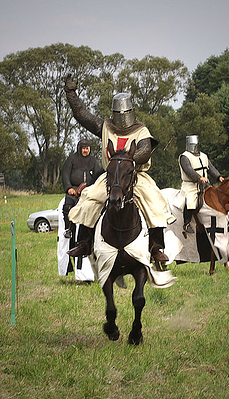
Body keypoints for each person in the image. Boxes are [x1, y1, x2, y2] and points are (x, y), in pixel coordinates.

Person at [64, 75, 174, 262]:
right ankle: (84, 243)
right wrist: (71, 93)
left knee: (154, 201)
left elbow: (145, 151)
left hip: (135, 176)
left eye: (125, 113)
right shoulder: (105, 126)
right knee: (89, 199)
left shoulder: (141, 130)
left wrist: (128, 160)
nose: (122, 118)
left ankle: (156, 247)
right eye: (118, 113)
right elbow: (82, 114)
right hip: (110, 176)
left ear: (131, 111)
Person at [179, 135, 225, 233]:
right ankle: (186, 224)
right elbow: (188, 170)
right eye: (193, 145)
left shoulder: (203, 156)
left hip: (204, 184)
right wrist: (198, 178)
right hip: (190, 185)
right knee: (191, 201)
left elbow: (210, 168)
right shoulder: (184, 157)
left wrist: (218, 176)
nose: (195, 147)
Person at [61, 138, 102, 239]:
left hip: (88, 190)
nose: (85, 150)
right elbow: (65, 174)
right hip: (74, 190)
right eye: (83, 148)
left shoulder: (93, 160)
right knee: (68, 206)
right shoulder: (72, 159)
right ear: (79, 149)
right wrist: (68, 188)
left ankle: (95, 230)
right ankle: (68, 229)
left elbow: (97, 174)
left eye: (87, 148)